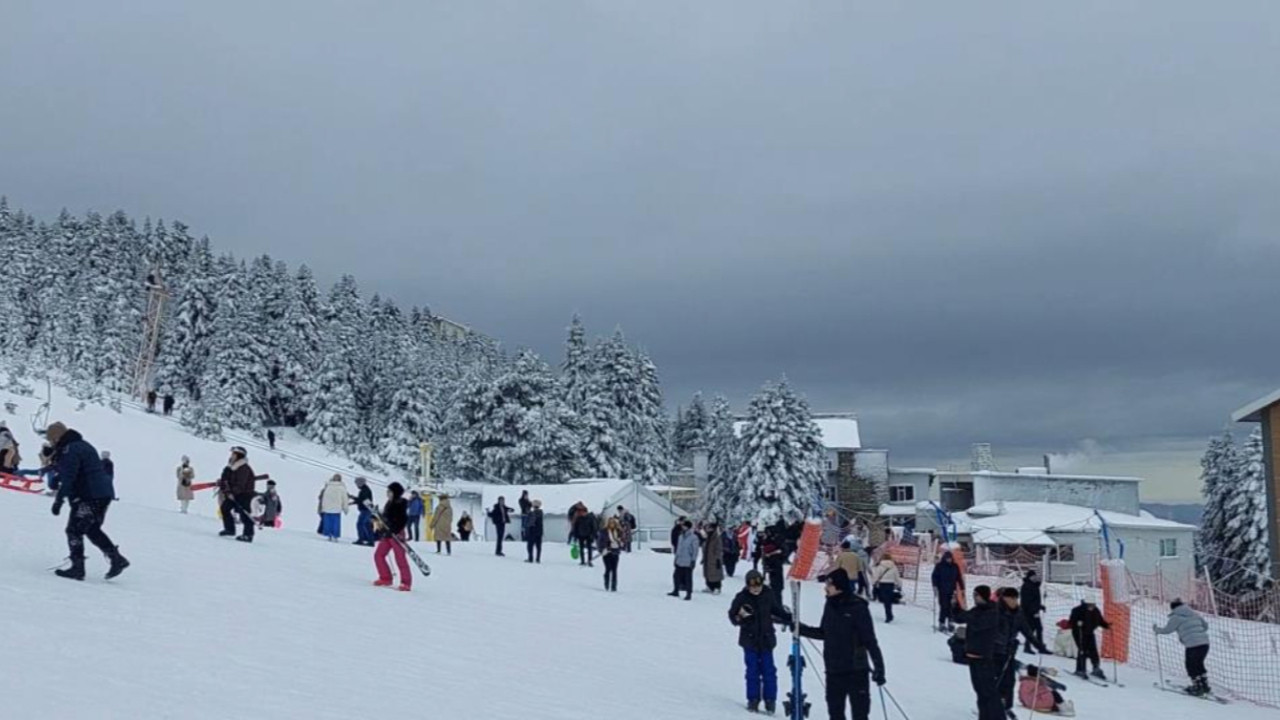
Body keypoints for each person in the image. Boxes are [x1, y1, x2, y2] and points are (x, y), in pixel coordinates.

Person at [799, 568, 887, 720]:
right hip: (834, 670)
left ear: (839, 586)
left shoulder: (858, 607)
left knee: (860, 715)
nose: (825, 588)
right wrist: (799, 628)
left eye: (829, 585)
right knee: (835, 714)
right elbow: (823, 633)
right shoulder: (830, 605)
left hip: (856, 671)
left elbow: (870, 640)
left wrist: (879, 667)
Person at [46, 422, 128, 581]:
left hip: (89, 495)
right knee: (91, 528)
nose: (51, 443)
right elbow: (79, 469)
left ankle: (77, 568)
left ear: (57, 437)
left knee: (74, 530)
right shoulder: (81, 445)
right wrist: (57, 477)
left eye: (51, 439)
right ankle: (116, 559)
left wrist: (59, 500)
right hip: (102, 493)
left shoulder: (71, 449)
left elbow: (70, 476)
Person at [729, 569, 794, 714]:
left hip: (766, 640)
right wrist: (740, 618)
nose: (756, 589)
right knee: (752, 671)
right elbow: (732, 615)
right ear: (747, 586)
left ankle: (770, 700)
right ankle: (753, 699)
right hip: (749, 640)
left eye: (758, 586)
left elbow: (776, 610)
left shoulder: (768, 594)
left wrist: (787, 617)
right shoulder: (741, 597)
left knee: (769, 671)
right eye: (752, 587)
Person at [996, 588, 1048, 717]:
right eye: (1011, 598)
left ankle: (1007, 706)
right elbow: (992, 632)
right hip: (995, 652)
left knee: (1010, 680)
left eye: (1015, 598)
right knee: (996, 680)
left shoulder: (1018, 613)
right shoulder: (996, 611)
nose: (1014, 601)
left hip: (1009, 652)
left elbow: (1026, 630)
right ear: (1004, 598)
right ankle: (990, 705)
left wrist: (1038, 645)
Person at [958, 585, 1004, 720]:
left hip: (984, 656)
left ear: (984, 596)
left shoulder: (992, 612)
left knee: (989, 691)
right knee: (979, 691)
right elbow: (961, 618)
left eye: (977, 595)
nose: (975, 598)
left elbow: (978, 624)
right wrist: (956, 606)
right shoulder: (977, 610)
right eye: (974, 595)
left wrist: (968, 617)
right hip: (972, 655)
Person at [1154, 598, 1211, 697]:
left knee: (1191, 665)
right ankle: (1204, 685)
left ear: (1173, 608)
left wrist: (1157, 630)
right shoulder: (1195, 614)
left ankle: (1197, 687)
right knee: (1199, 663)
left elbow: (1167, 630)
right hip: (1205, 644)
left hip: (1192, 645)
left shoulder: (1176, 617)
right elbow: (1205, 626)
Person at [371, 482, 412, 592]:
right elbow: (386, 518)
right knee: (378, 555)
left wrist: (395, 529)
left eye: (389, 491)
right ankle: (385, 578)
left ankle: (406, 582)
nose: (387, 493)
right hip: (387, 533)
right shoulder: (389, 503)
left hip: (397, 534)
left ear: (395, 492)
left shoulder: (400, 503)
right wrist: (377, 517)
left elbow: (403, 520)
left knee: (400, 558)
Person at [217, 446, 256, 542]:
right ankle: (230, 529)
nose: (231, 456)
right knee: (224, 508)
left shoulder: (244, 468)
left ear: (239, 456)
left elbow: (240, 484)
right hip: (233, 494)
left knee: (245, 515)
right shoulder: (231, 467)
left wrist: (232, 492)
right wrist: (224, 476)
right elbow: (226, 480)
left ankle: (248, 535)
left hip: (245, 494)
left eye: (233, 454)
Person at [1068, 600, 1110, 680]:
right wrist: (1077, 623)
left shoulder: (1096, 611)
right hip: (1079, 633)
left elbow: (1100, 621)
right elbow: (1071, 621)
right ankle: (1080, 669)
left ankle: (1096, 667)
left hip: (1090, 632)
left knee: (1093, 650)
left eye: (1093, 604)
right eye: (1090, 605)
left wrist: (1106, 625)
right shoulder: (1077, 610)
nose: (1092, 606)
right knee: (1082, 650)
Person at [931, 551, 964, 632]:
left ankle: (950, 622)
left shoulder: (955, 566)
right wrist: (935, 585)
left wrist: (962, 587)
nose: (948, 560)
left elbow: (958, 577)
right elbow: (934, 576)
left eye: (950, 558)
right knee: (944, 606)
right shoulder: (939, 566)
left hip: (952, 590)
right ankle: (941, 622)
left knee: (951, 607)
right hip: (942, 590)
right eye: (947, 558)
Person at [670, 520, 699, 600]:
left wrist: (693, 560)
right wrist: (676, 558)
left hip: (688, 561)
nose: (682, 527)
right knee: (676, 576)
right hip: (680, 560)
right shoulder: (680, 536)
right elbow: (678, 548)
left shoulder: (693, 537)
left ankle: (688, 594)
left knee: (688, 578)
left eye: (684, 526)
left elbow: (695, 550)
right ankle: (676, 590)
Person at [318, 474, 349, 541]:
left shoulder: (328, 487)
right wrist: (345, 508)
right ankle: (335, 535)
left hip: (327, 508)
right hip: (337, 508)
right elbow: (345, 498)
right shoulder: (341, 487)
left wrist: (323, 507)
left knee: (328, 522)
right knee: (336, 523)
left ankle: (329, 535)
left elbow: (324, 498)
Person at [1021, 570, 1046, 654]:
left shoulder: (1034, 586)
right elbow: (1027, 601)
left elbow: (1034, 600)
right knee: (1032, 629)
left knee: (1038, 629)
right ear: (1030, 577)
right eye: (1034, 576)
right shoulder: (1027, 586)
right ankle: (1028, 647)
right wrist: (1034, 611)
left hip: (1034, 611)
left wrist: (1040, 606)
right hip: (1029, 612)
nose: (1035, 578)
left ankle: (1039, 647)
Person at [869, 556, 901, 622]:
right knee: (888, 600)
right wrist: (899, 585)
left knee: (885, 600)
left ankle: (888, 615)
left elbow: (876, 576)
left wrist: (873, 583)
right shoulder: (894, 567)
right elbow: (897, 577)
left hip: (882, 584)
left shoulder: (880, 566)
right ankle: (889, 614)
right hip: (891, 584)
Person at [761, 528, 787, 605]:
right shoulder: (768, 540)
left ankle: (777, 605)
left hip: (776, 566)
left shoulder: (777, 540)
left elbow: (783, 551)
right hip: (773, 566)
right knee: (775, 588)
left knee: (777, 588)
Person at [350, 477, 375, 547]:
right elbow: (362, 500)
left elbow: (363, 500)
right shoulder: (365, 490)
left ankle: (361, 539)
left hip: (365, 510)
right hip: (368, 510)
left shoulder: (364, 491)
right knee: (367, 525)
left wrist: (354, 501)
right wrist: (354, 499)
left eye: (357, 483)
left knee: (360, 524)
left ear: (360, 483)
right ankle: (370, 540)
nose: (356, 485)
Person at [600, 516, 623, 592]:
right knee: (608, 568)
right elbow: (600, 542)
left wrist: (620, 543)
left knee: (614, 570)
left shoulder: (619, 532)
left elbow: (623, 542)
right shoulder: (604, 532)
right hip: (607, 553)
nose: (612, 524)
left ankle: (614, 586)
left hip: (615, 553)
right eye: (610, 523)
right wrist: (603, 549)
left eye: (613, 523)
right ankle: (606, 582)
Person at [703, 521, 725, 594]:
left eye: (709, 528)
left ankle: (717, 587)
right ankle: (709, 586)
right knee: (708, 573)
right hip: (707, 558)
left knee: (716, 574)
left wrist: (716, 558)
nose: (707, 529)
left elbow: (718, 549)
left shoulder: (716, 538)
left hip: (714, 559)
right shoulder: (708, 537)